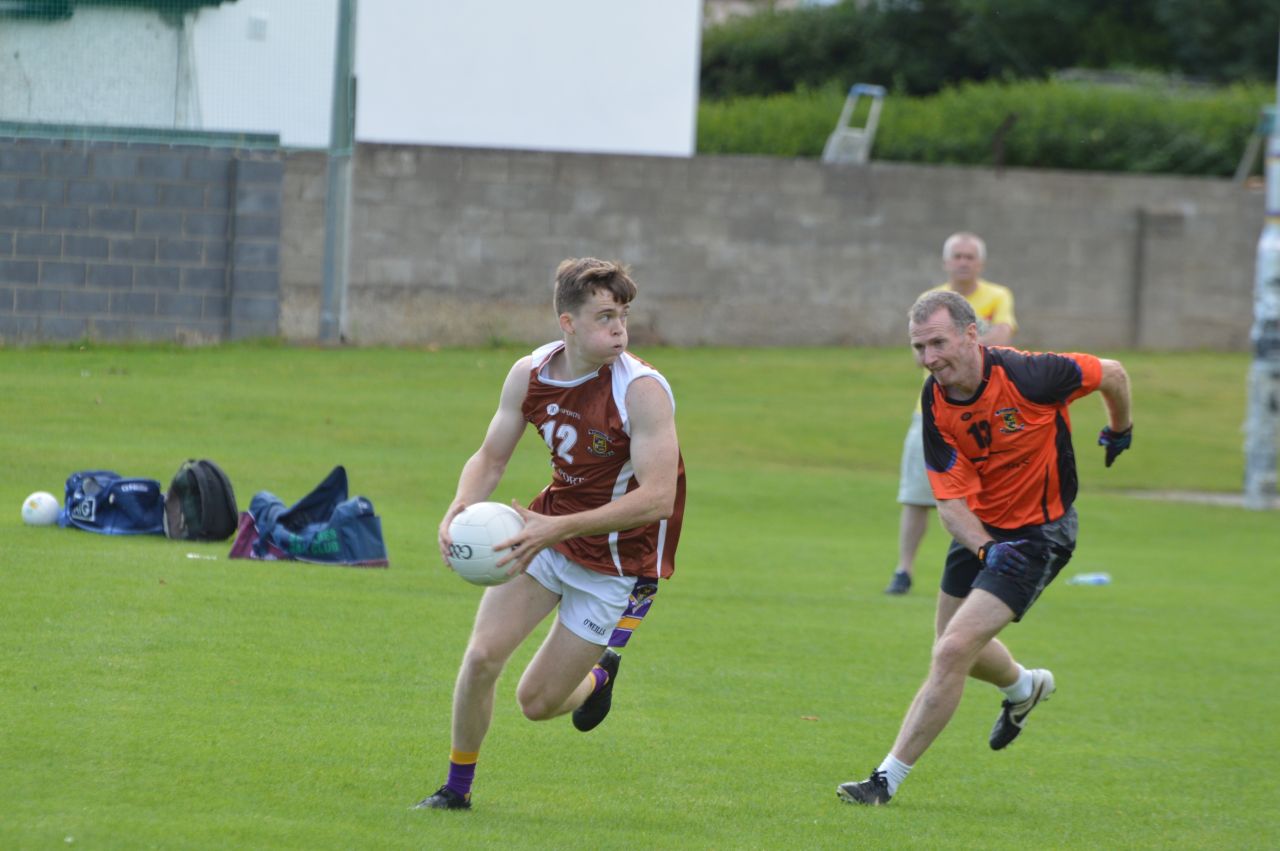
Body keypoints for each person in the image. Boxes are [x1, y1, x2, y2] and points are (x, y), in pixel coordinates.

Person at [839, 289, 1132, 806]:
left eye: (938, 343)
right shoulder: (934, 402)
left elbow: (1113, 372)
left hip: (1041, 532)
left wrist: (1119, 427)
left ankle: (884, 781)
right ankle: (1023, 688)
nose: (929, 359)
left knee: (952, 650)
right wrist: (983, 548)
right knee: (954, 652)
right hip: (980, 528)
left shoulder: (1034, 375)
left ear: (972, 334)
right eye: (918, 347)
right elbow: (950, 503)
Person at [416, 258, 686, 811]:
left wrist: (554, 527)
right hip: (547, 534)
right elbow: (491, 456)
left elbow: (658, 499)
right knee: (481, 657)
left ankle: (597, 679)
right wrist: (459, 508)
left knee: (536, 703)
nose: (619, 329)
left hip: (615, 561)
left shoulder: (642, 391)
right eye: (604, 317)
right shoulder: (530, 374)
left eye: (623, 316)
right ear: (567, 322)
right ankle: (455, 791)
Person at [886, 232, 1017, 595]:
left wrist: (953, 348)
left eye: (969, 256)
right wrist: (956, 348)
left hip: (984, 412)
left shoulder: (997, 296)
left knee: (982, 495)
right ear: (946, 262)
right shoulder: (930, 303)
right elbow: (920, 357)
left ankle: (986, 564)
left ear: (980, 263)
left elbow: (1005, 336)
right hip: (932, 413)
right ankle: (903, 570)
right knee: (915, 494)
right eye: (956, 256)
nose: (963, 262)